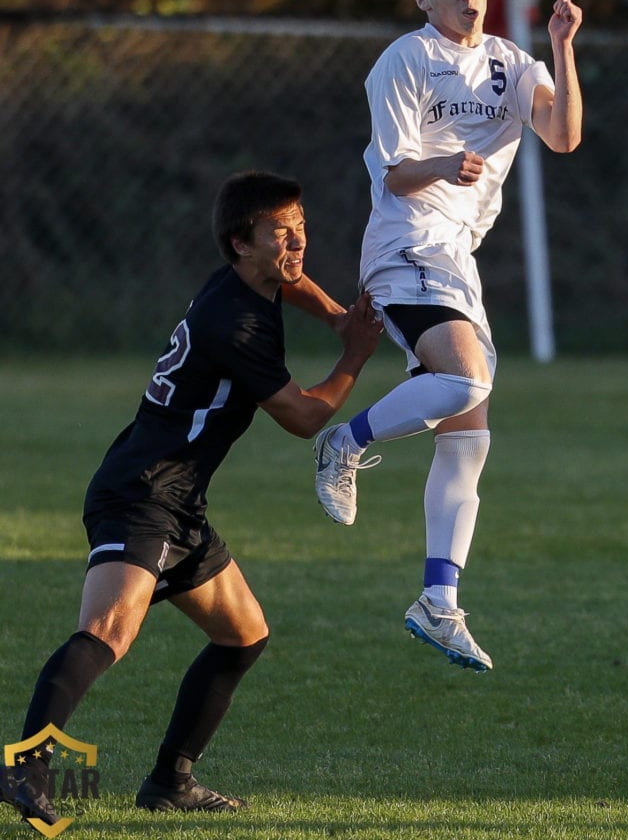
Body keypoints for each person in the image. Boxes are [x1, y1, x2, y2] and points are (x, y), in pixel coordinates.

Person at [2, 170, 382, 828]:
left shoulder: (247, 280)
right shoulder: (234, 323)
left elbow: (289, 282)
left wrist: (335, 313)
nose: (297, 241)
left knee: (243, 637)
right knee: (109, 632)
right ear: (240, 243)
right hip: (141, 494)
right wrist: (353, 352)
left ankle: (170, 783)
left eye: (300, 226)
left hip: (179, 501)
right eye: (279, 232)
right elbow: (300, 416)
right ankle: (25, 768)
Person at [314, 0, 583, 673]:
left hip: (455, 257)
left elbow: (561, 136)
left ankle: (438, 604)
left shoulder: (510, 61)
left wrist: (562, 49)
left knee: (468, 436)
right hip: (405, 241)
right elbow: (395, 172)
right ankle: (344, 442)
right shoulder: (405, 59)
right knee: (464, 377)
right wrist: (446, 165)